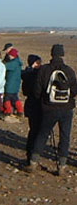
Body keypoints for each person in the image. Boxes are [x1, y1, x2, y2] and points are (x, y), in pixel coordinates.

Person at [29, 44, 77, 175]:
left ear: (51, 54)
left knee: (43, 133)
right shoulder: (69, 71)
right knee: (65, 136)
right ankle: (62, 165)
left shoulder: (44, 70)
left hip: (49, 108)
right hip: (67, 108)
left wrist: (44, 100)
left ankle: (33, 162)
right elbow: (74, 90)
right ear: (62, 54)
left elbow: (37, 90)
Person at [21, 54, 42, 164]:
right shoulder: (30, 75)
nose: (40, 65)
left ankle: (31, 155)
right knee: (35, 131)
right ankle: (31, 156)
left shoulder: (27, 74)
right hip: (35, 106)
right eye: (38, 63)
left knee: (35, 131)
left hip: (31, 105)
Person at [3, 48, 23, 116]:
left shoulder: (12, 63)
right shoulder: (18, 62)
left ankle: (8, 111)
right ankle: (20, 110)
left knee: (7, 98)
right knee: (15, 98)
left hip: (10, 83)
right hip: (16, 84)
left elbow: (4, 66)